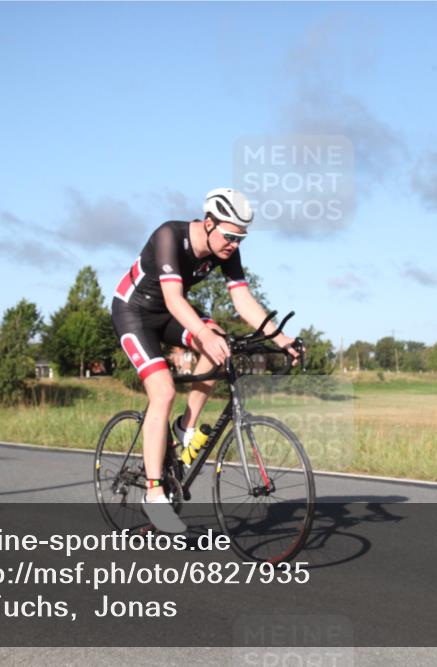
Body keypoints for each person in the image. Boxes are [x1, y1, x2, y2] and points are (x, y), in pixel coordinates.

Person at [111, 188, 299, 532]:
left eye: (242, 238)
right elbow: (172, 297)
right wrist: (203, 334)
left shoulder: (227, 249)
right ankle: (154, 496)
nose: (234, 245)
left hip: (171, 313)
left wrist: (280, 338)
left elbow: (243, 301)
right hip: (135, 312)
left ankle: (186, 427)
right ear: (208, 223)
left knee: (221, 344)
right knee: (163, 391)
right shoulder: (170, 235)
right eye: (229, 236)